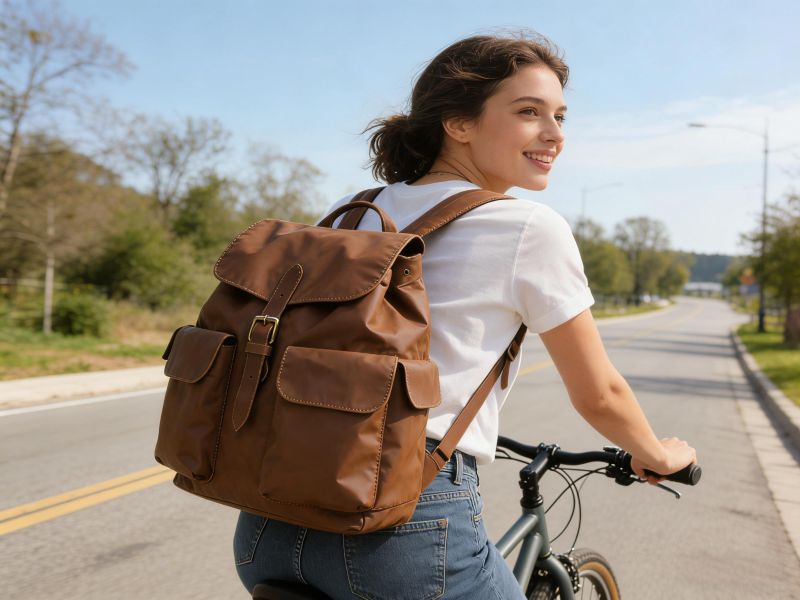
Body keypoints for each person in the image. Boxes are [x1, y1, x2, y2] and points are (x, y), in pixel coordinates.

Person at [233, 31, 697, 599]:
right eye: (528, 112)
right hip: (399, 524)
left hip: (269, 523)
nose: (555, 134)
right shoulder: (528, 227)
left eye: (559, 116)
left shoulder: (355, 212)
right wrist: (659, 455)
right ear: (458, 122)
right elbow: (599, 393)